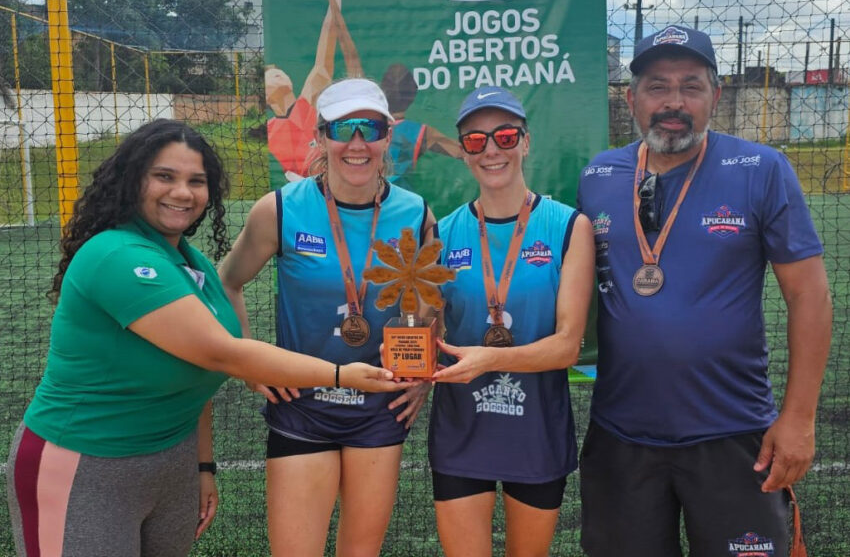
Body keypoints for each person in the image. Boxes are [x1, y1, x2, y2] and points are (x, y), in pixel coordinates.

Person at [5, 119, 405, 557]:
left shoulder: (189, 261)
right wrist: (342, 375)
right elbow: (220, 352)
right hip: (85, 462)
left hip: (170, 460)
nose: (183, 193)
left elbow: (198, 370)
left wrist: (202, 464)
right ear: (131, 180)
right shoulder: (114, 254)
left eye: (197, 181)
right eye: (165, 176)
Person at [576, 25, 832, 557]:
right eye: (657, 86)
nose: (674, 102)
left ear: (716, 95)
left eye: (691, 86)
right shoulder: (599, 174)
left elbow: (809, 295)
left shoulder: (762, 169)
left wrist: (800, 418)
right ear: (631, 99)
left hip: (735, 434)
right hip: (621, 434)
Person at [219, 78, 434, 557]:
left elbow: (429, 305)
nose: (357, 143)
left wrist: (423, 375)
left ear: (388, 135)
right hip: (302, 407)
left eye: (370, 128)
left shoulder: (415, 212)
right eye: (344, 128)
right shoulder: (279, 209)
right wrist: (249, 362)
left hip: (379, 410)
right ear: (320, 136)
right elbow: (226, 283)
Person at [428, 86, 595, 557]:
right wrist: (410, 341)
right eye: (476, 141)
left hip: (536, 430)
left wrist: (488, 358)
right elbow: (429, 328)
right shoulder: (440, 234)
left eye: (504, 136)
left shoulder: (568, 227)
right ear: (463, 153)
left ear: (526, 142)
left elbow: (567, 346)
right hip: (463, 428)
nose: (492, 150)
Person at [266, 0, 361, 182]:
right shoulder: (268, 130)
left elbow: (322, 65)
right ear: (265, 95)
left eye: (280, 71)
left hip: (329, 188)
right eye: (270, 74)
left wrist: (334, 6)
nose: (278, 73)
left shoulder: (306, 106)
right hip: (299, 195)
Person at [379, 63, 462, 188]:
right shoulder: (421, 132)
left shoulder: (368, 126)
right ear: (412, 94)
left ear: (382, 92)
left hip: (368, 199)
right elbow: (461, 152)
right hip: (402, 200)